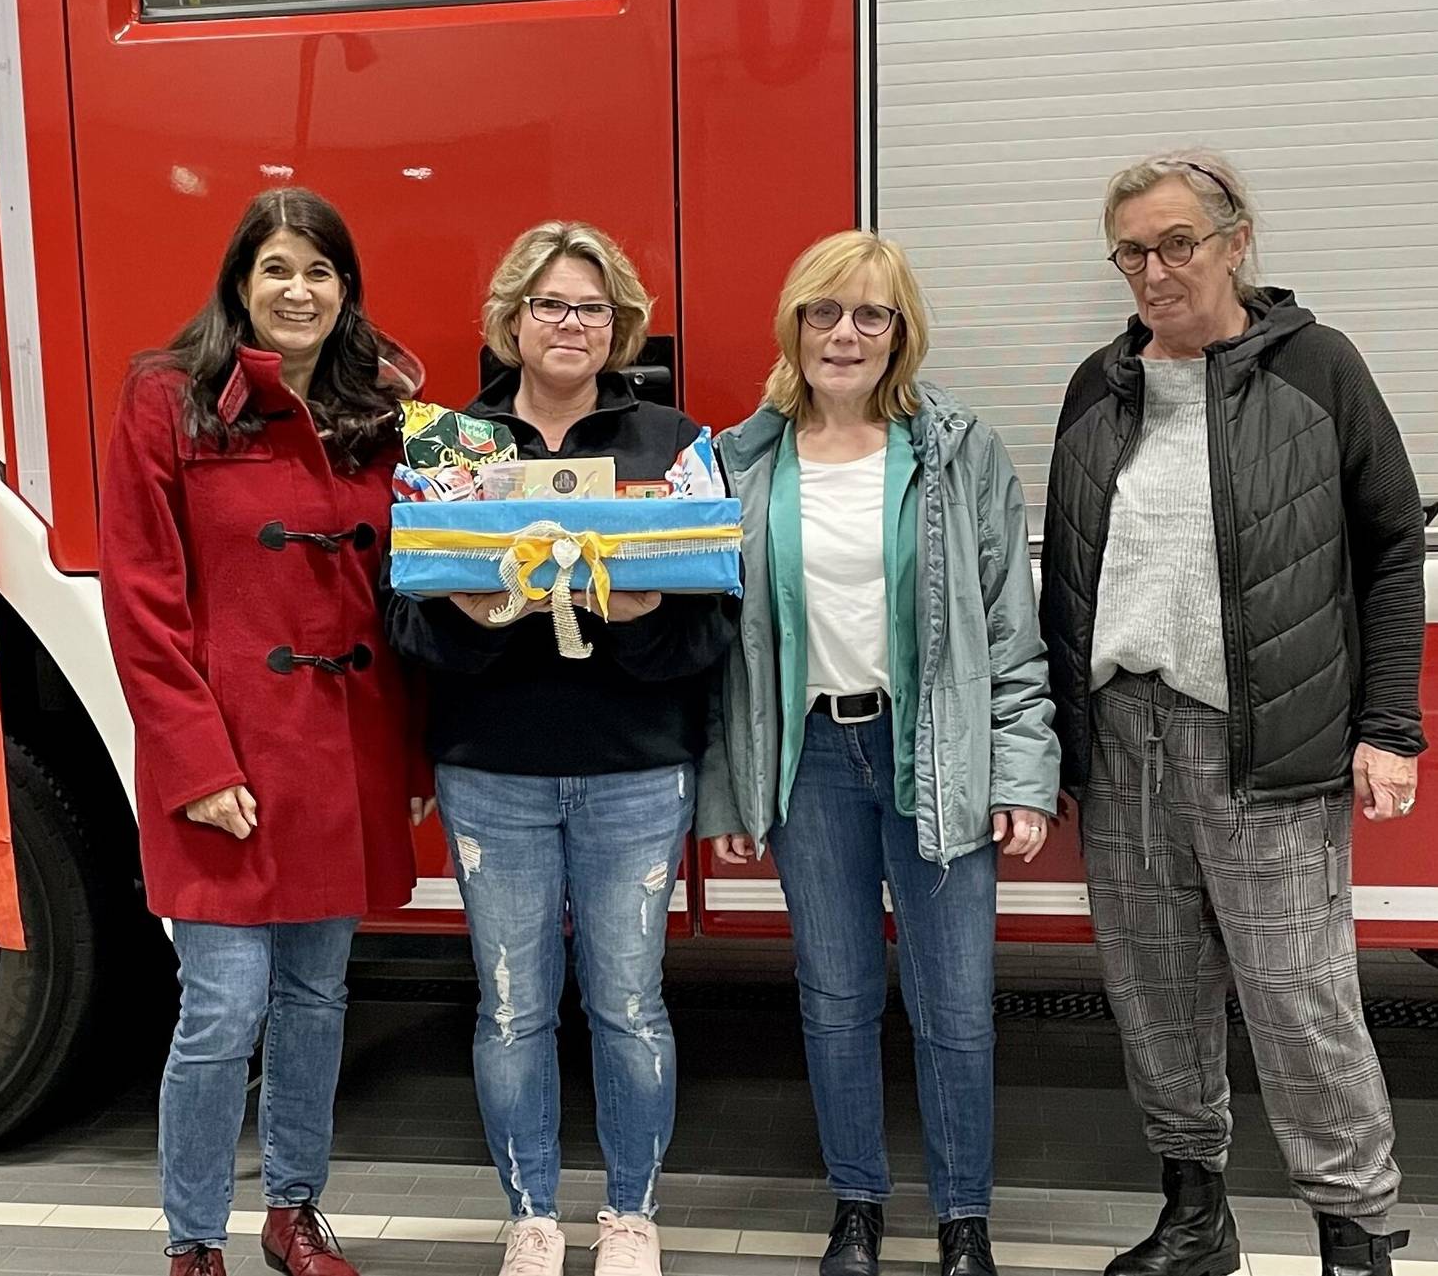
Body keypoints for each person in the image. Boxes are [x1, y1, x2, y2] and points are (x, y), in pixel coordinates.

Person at [1040, 149, 1423, 1276]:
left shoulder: (1319, 368)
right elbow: (1073, 573)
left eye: (1176, 244)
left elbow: (1391, 544)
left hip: (1267, 745)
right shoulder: (1095, 386)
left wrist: (1388, 725)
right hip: (1124, 741)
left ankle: (1354, 1236)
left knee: (1301, 1001)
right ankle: (1197, 1215)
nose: (1153, 271)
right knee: (1155, 994)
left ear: (1235, 238)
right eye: (1131, 251)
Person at [696, 230, 1058, 1276]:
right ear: (793, 324)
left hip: (931, 752)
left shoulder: (957, 449)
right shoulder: (741, 458)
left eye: (871, 314)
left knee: (954, 1004)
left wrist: (1021, 769)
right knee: (836, 996)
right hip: (811, 758)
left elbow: (1008, 626)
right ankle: (855, 1204)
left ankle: (963, 1219)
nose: (845, 333)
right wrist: (730, 789)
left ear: (902, 331)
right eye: (825, 311)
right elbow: (723, 649)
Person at [386, 220, 736, 1276]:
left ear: (621, 322)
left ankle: (630, 1214)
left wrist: (634, 612)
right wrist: (487, 613)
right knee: (510, 1003)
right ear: (511, 319)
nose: (570, 324)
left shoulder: (673, 443)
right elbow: (405, 618)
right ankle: (531, 1212)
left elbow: (715, 621)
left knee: (629, 1002)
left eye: (590, 306)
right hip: (492, 765)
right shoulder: (451, 443)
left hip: (635, 763)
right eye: (549, 304)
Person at [99, 187, 428, 1276]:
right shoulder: (167, 398)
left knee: (316, 997)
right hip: (223, 762)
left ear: (347, 291)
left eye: (322, 272)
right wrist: (195, 764)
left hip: (339, 753)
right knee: (221, 1009)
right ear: (241, 281)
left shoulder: (378, 411)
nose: (300, 291)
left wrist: (412, 753)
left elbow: (411, 595)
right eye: (279, 268)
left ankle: (294, 1209)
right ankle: (194, 1236)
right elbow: (142, 598)